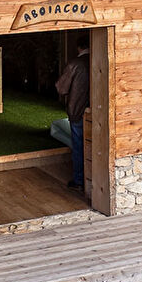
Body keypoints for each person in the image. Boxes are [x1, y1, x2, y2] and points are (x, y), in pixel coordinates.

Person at [55, 34, 92, 192]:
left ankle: (79, 180)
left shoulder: (75, 64)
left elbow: (61, 88)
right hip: (96, 110)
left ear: (79, 47)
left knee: (79, 146)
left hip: (78, 111)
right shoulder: (96, 60)